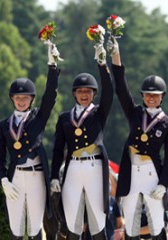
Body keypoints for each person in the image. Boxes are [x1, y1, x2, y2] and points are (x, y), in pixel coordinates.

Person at [108, 37, 168, 239]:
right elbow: (121, 89)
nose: (151, 98)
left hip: (152, 174)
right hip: (131, 171)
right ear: (143, 95)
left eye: (155, 95)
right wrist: (116, 55)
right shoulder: (135, 113)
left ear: (162, 96)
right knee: (131, 223)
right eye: (147, 94)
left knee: (156, 224)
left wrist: (163, 184)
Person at [0, 43, 61, 239]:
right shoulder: (4, 125)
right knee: (15, 227)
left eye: (25, 97)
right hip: (14, 179)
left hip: (36, 177)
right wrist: (3, 178)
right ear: (12, 99)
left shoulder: (38, 119)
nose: (21, 101)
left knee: (34, 228)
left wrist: (52, 67)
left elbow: (50, 96)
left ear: (31, 99)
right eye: (17, 97)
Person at [50, 43, 113, 240]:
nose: (84, 95)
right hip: (73, 169)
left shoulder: (98, 113)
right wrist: (53, 176)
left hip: (94, 168)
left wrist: (102, 64)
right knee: (73, 222)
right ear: (75, 94)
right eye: (80, 91)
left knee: (97, 222)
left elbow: (110, 91)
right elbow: (58, 149)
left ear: (94, 93)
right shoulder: (64, 118)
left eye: (88, 91)